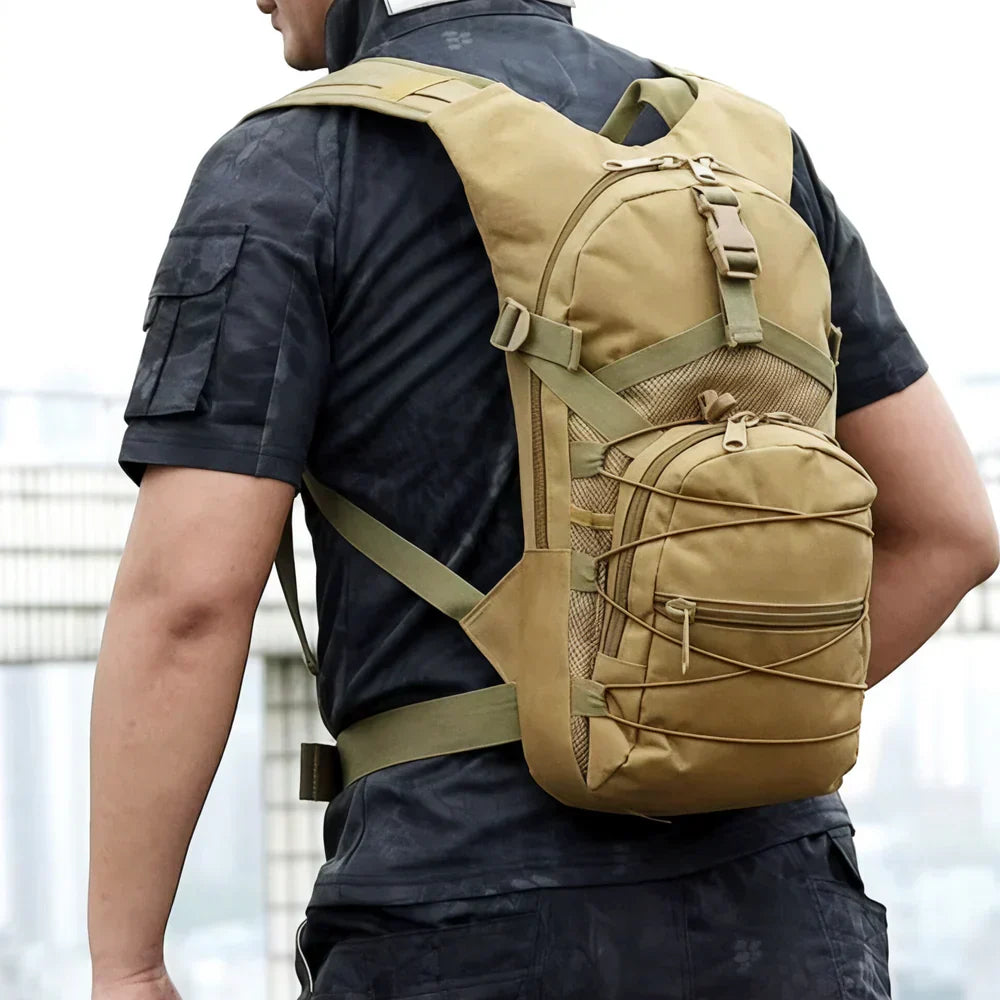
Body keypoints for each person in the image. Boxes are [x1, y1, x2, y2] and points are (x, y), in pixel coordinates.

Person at [88, 2, 999, 999]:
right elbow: (949, 532)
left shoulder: (292, 167)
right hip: (787, 915)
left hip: (460, 910)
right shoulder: (750, 154)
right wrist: (712, 710)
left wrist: (128, 966)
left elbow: (189, 601)